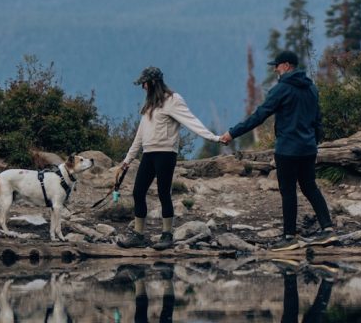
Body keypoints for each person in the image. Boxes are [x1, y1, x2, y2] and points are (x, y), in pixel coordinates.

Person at [220, 50, 334, 246]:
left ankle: (289, 237)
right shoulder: (311, 89)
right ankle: (328, 229)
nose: (275, 69)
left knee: (288, 191)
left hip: (287, 150)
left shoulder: (281, 89)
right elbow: (318, 122)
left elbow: (259, 116)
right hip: (308, 149)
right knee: (310, 187)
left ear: (287, 66)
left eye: (277, 65)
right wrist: (313, 143)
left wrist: (233, 133)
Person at [116, 66, 221, 249]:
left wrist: (214, 138)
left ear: (153, 82)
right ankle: (139, 235)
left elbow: (191, 121)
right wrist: (127, 161)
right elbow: (139, 136)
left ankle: (167, 235)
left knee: (164, 192)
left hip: (166, 153)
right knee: (138, 192)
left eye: (144, 83)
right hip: (148, 154)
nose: (143, 87)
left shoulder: (173, 100)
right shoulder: (148, 105)